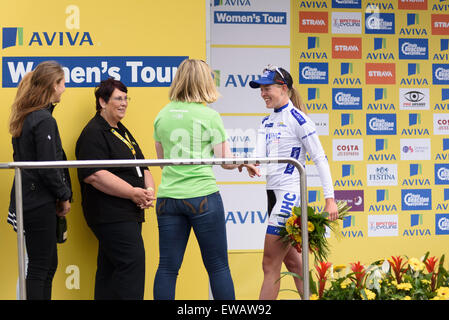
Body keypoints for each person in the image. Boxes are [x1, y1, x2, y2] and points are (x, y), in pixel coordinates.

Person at [153, 58, 260, 300]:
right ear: (203, 82)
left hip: (168, 197)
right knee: (218, 267)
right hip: (202, 196)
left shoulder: (162, 115)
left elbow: (162, 161)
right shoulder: (208, 116)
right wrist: (245, 162)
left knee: (168, 268)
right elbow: (225, 161)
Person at [249, 65, 338, 300]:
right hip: (272, 194)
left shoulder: (299, 119)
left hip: (289, 195)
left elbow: (320, 159)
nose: (262, 93)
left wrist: (330, 200)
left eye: (267, 88)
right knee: (295, 265)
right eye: (261, 89)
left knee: (269, 265)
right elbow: (258, 159)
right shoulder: (266, 122)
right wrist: (248, 164)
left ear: (284, 88)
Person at [75, 78, 155, 300]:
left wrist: (148, 190)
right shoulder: (93, 132)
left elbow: (143, 166)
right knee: (132, 265)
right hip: (110, 215)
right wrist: (132, 192)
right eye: (118, 98)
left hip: (129, 213)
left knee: (110, 271)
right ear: (102, 101)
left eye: (126, 98)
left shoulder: (122, 130)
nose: (124, 103)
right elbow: (95, 175)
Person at [7, 60, 72, 300]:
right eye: (62, 83)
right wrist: (64, 196)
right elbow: (48, 167)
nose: (65, 88)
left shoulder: (27, 117)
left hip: (31, 200)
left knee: (45, 265)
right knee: (39, 267)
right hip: (39, 201)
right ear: (52, 85)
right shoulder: (43, 119)